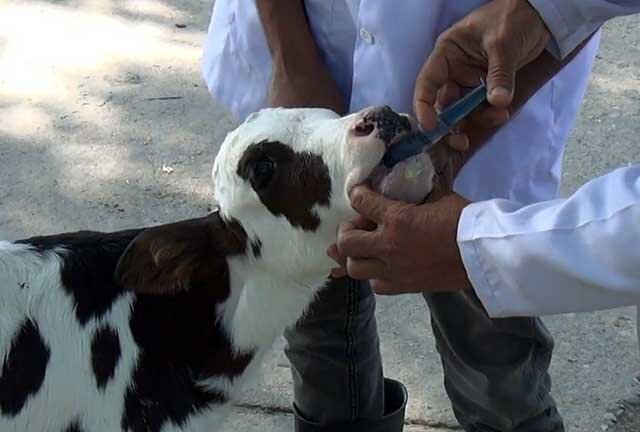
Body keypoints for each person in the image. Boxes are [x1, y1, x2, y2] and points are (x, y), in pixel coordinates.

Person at [201, 1, 601, 431]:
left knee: (494, 355)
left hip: (475, 98)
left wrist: (477, 119)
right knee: (321, 339)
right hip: (303, 88)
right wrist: (292, 58)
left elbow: (570, 11)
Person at [331, 1, 640, 320]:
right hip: (331, 63)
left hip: (487, 179)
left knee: (488, 341)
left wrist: (476, 248)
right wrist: (543, 12)